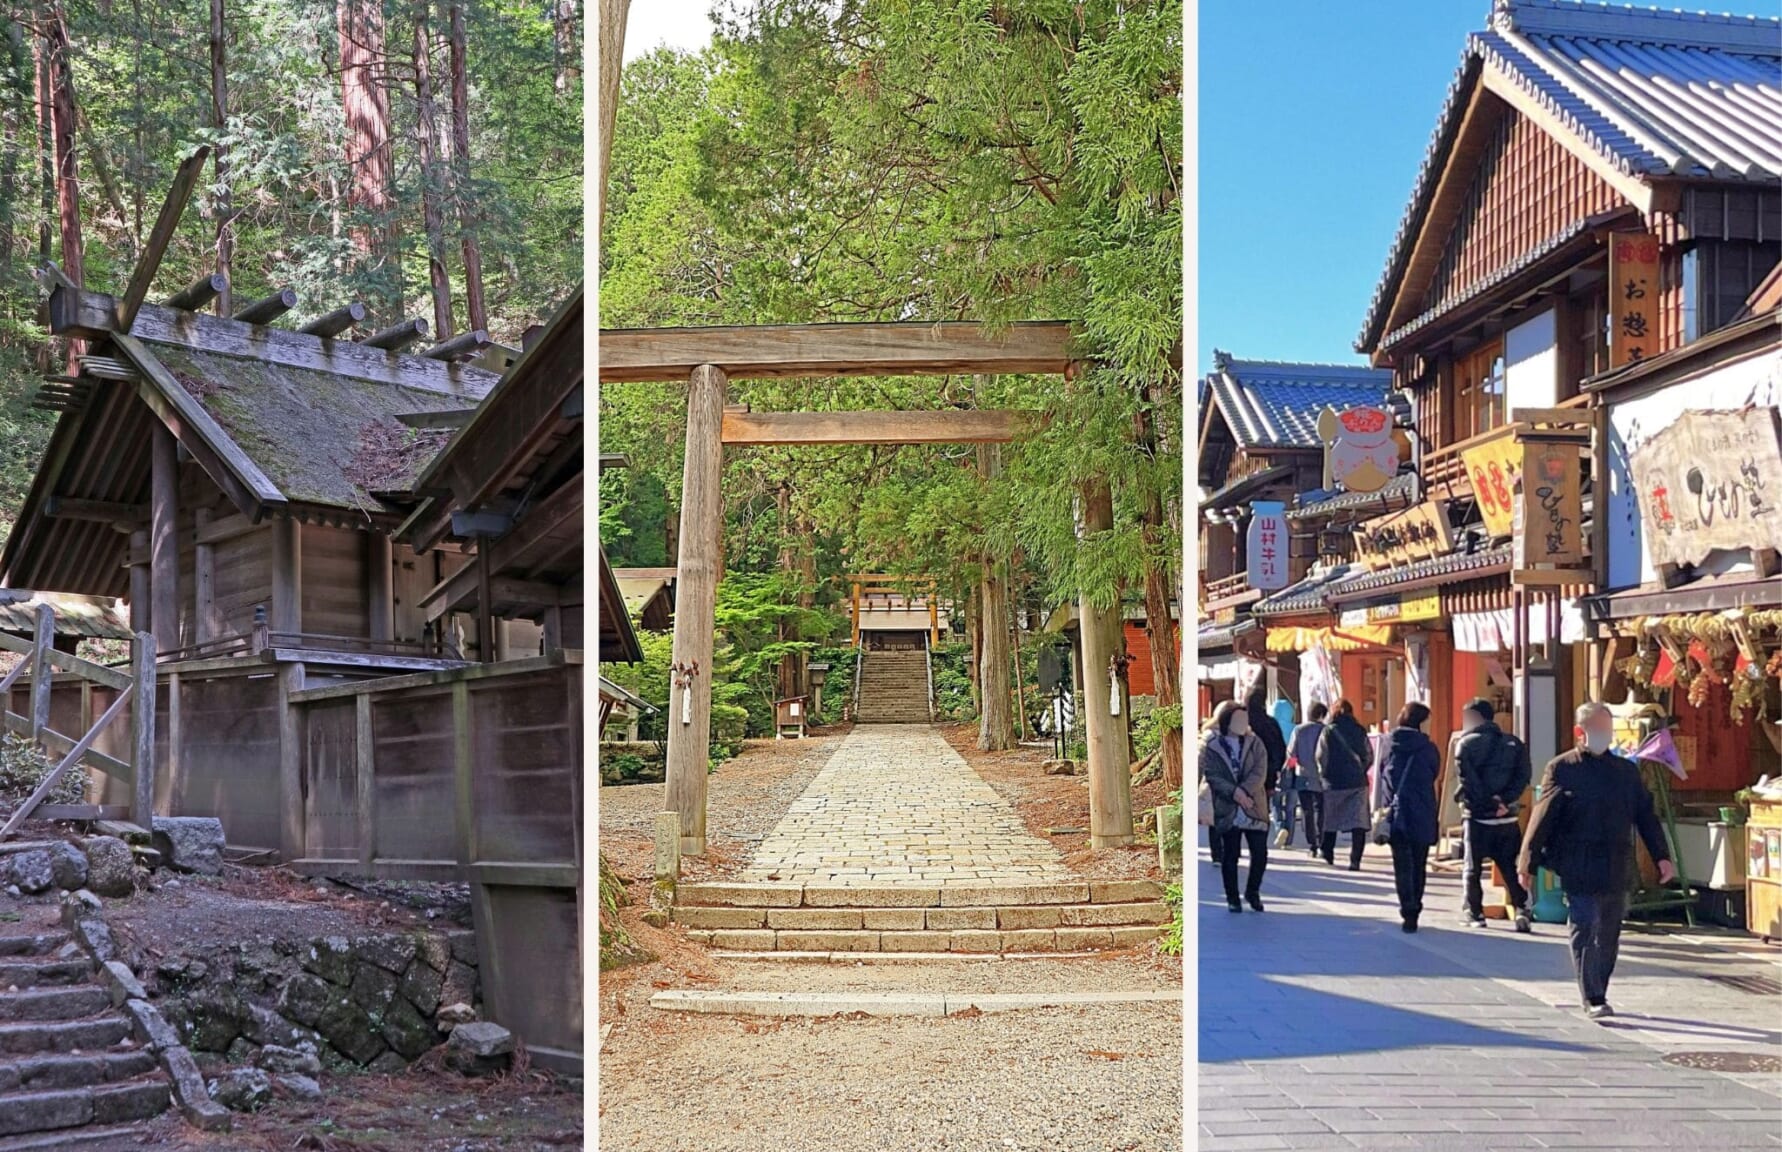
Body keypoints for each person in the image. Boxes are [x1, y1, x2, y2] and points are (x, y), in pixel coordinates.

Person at [1519, 702, 1676, 1021]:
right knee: (1585, 925)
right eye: (1599, 730)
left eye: (1608, 729)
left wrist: (1662, 856)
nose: (1605, 736)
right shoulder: (1562, 768)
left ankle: (1599, 986)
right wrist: (1528, 862)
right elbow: (1542, 818)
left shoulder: (1625, 772)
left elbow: (1645, 815)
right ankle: (1593, 995)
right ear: (1581, 732)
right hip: (1578, 862)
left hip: (1617, 863)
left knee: (1609, 932)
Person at [1453, 698, 1533, 931]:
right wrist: (1504, 801)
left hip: (1477, 817)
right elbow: (1523, 777)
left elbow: (1468, 781)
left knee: (1472, 867)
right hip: (1507, 816)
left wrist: (1488, 802)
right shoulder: (1515, 744)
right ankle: (1521, 909)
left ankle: (1475, 913)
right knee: (1510, 866)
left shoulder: (1465, 744)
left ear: (1474, 718)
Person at [1201, 700, 1270, 913]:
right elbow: (1212, 774)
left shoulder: (1255, 743)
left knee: (1260, 853)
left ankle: (1253, 891)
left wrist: (1245, 791)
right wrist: (1234, 793)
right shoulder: (1214, 746)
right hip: (1228, 806)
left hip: (1254, 804)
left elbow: (1260, 770)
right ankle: (1232, 897)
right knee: (1230, 854)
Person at [1381, 702, 1440, 933]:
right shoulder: (1428, 748)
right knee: (1418, 864)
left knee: (1402, 864)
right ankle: (1415, 906)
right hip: (1422, 810)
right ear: (1421, 722)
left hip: (1396, 811)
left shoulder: (1388, 744)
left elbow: (1382, 774)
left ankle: (1407, 909)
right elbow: (1434, 772)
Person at [1316, 699, 1371, 870]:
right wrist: (1361, 769)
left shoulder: (1328, 731)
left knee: (1330, 820)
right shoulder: (1360, 730)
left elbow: (1320, 756)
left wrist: (1323, 774)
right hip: (1357, 782)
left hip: (1334, 782)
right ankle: (1355, 859)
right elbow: (1369, 755)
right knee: (1358, 822)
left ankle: (1328, 853)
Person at [1245, 688, 1289, 848]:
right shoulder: (1271, 723)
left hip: (1243, 775)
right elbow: (1281, 749)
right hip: (1266, 775)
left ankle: (1240, 843)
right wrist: (1275, 770)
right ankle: (1259, 843)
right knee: (1263, 809)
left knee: (1241, 808)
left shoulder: (1243, 723)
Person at [1287, 702, 1327, 856]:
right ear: (1322, 715)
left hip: (1302, 775)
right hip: (1321, 777)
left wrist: (1289, 770)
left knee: (1307, 810)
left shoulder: (1299, 730)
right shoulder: (1325, 730)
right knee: (1322, 809)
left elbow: (1291, 754)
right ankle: (1321, 839)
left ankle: (1312, 845)